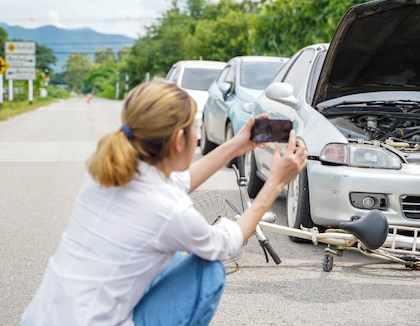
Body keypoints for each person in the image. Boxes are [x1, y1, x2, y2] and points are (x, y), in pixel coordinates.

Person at [22, 80, 307, 325]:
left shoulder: (106, 173)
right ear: (177, 142)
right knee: (208, 270)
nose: (198, 134)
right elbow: (226, 244)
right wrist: (276, 183)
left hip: (41, 317)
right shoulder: (168, 210)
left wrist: (238, 144)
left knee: (170, 258)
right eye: (195, 128)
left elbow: (179, 183)